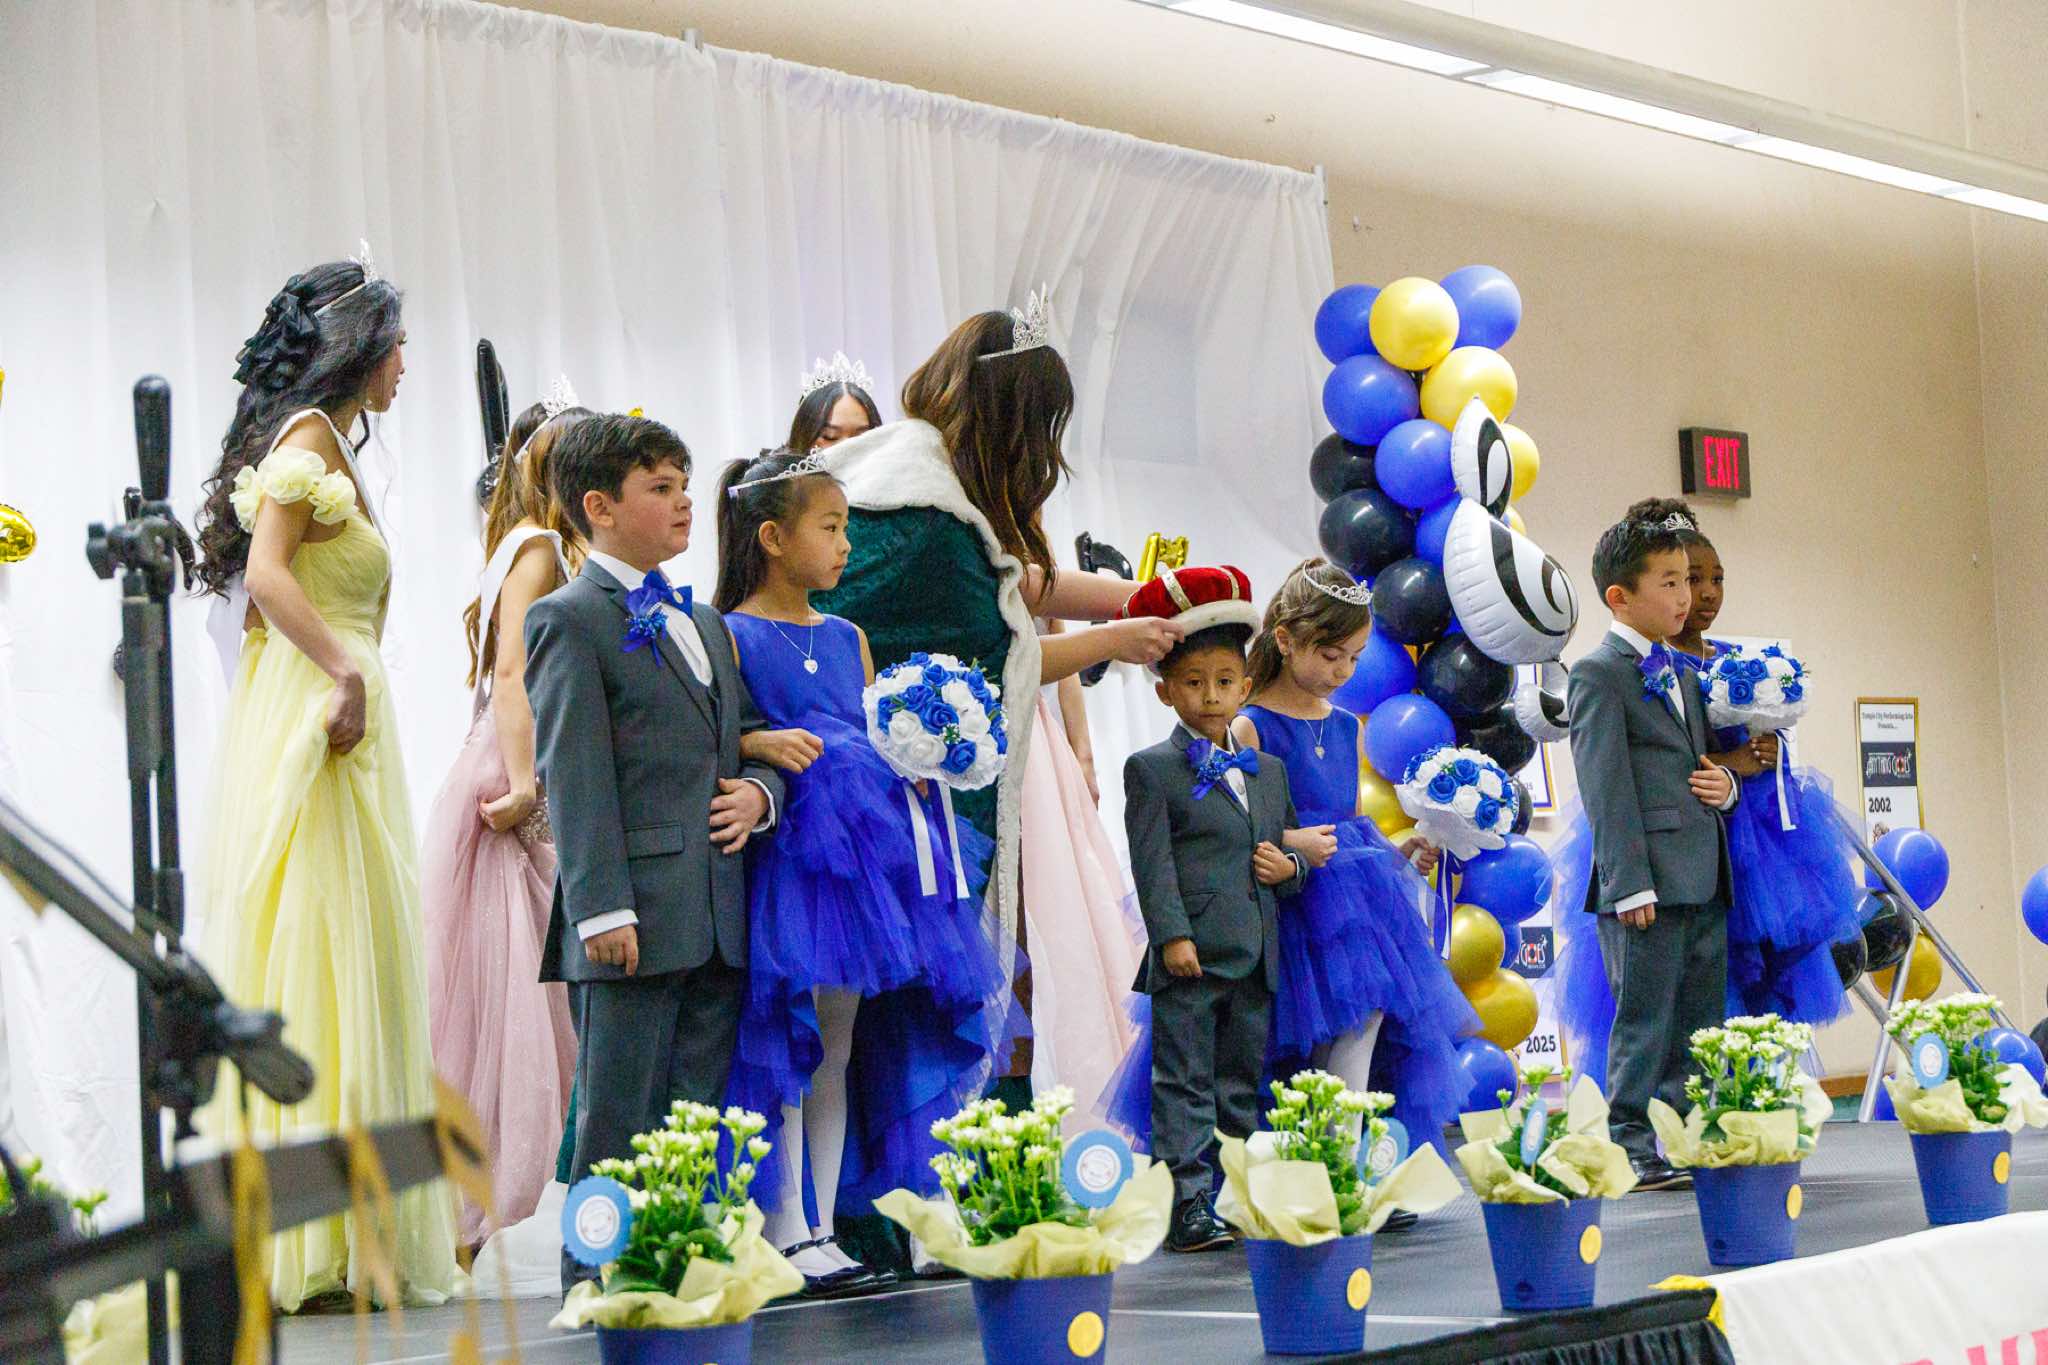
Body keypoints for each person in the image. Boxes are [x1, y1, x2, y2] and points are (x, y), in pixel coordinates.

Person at [812, 294, 1182, 1101]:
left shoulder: (910, 475)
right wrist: (1120, 637)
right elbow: (1005, 651)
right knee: (884, 1031)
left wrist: (1142, 598)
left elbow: (1016, 588)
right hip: (887, 811)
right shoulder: (929, 519)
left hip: (862, 790)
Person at [194, 252, 458, 1309]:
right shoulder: (306, 442)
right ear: (360, 348)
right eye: (398, 347)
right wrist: (342, 669)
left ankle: (352, 1229)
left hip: (342, 714)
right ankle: (309, 1231)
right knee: (318, 941)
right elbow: (265, 576)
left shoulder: (330, 445)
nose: (404, 367)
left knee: (356, 950)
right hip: (317, 713)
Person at [714, 447, 1003, 1297]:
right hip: (791, 865)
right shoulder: (728, 632)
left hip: (863, 870)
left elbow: (873, 732)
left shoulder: (849, 637)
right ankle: (784, 1224)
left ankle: (826, 1227)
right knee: (788, 1040)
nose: (846, 545)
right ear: (773, 537)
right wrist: (756, 740)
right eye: (831, 527)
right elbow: (711, 733)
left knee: (836, 1044)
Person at [525, 413, 784, 1293]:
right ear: (599, 507)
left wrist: (761, 795)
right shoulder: (568, 618)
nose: (682, 504)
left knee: (691, 1123)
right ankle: (594, 1289)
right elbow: (574, 772)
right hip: (629, 917)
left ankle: (671, 1282)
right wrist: (601, 907)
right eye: (659, 488)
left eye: (683, 486)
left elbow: (749, 738)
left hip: (715, 913)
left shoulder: (702, 621)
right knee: (616, 1123)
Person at [419, 382, 588, 1246]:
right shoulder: (537, 550)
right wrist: (526, 785)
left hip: (502, 760)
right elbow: (515, 671)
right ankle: (477, 1206)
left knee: (506, 1004)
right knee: (510, 998)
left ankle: (476, 1207)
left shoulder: (519, 545)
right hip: (510, 772)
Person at [1232, 560, 1476, 1155]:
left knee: (1362, 1021)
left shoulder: (1347, 726)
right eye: (1330, 655)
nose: (1342, 671)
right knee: (1295, 1043)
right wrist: (1294, 842)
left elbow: (1351, 824)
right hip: (1288, 904)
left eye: (1354, 657)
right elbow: (1238, 827)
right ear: (1285, 640)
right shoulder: (1250, 726)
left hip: (1354, 906)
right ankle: (1306, 1162)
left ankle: (1342, 1158)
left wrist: (1396, 850)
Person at [1120, 567, 1306, 1253]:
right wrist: (1172, 935)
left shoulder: (1269, 772)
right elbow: (1152, 863)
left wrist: (1292, 868)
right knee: (1183, 1081)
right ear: (1165, 690)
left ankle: (1234, 1191)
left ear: (1245, 687)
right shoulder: (1151, 768)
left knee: (1238, 1081)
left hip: (1256, 952)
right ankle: (1188, 1201)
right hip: (1192, 955)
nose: (1210, 695)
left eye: (1225, 681)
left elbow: (1288, 850)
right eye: (1193, 682)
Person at [1566, 514, 1738, 1191]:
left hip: (1702, 872)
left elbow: (1698, 765)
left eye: (1687, 581)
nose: (1685, 596)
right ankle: (1632, 1141)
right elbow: (1604, 786)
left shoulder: (1681, 671)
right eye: (1668, 582)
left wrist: (1726, 788)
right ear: (1620, 597)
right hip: (1646, 885)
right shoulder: (1598, 674)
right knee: (1644, 1020)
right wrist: (1628, 882)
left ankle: (1685, 1132)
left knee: (1699, 1021)